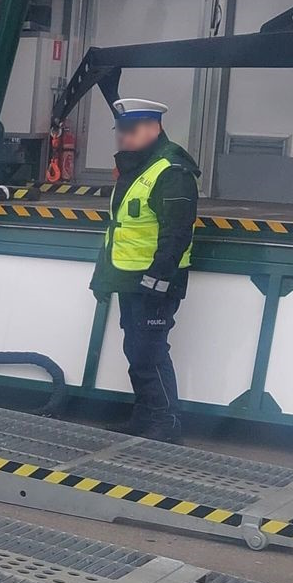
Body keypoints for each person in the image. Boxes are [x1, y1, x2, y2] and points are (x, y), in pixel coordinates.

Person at [90, 98, 200, 444]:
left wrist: (157, 279)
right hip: (130, 277)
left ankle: (165, 424)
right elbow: (120, 230)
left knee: (149, 352)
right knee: (135, 350)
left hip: (156, 281)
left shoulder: (171, 171)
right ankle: (144, 417)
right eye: (121, 131)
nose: (123, 137)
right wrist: (103, 277)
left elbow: (177, 232)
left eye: (131, 130)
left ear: (154, 128)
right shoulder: (136, 167)